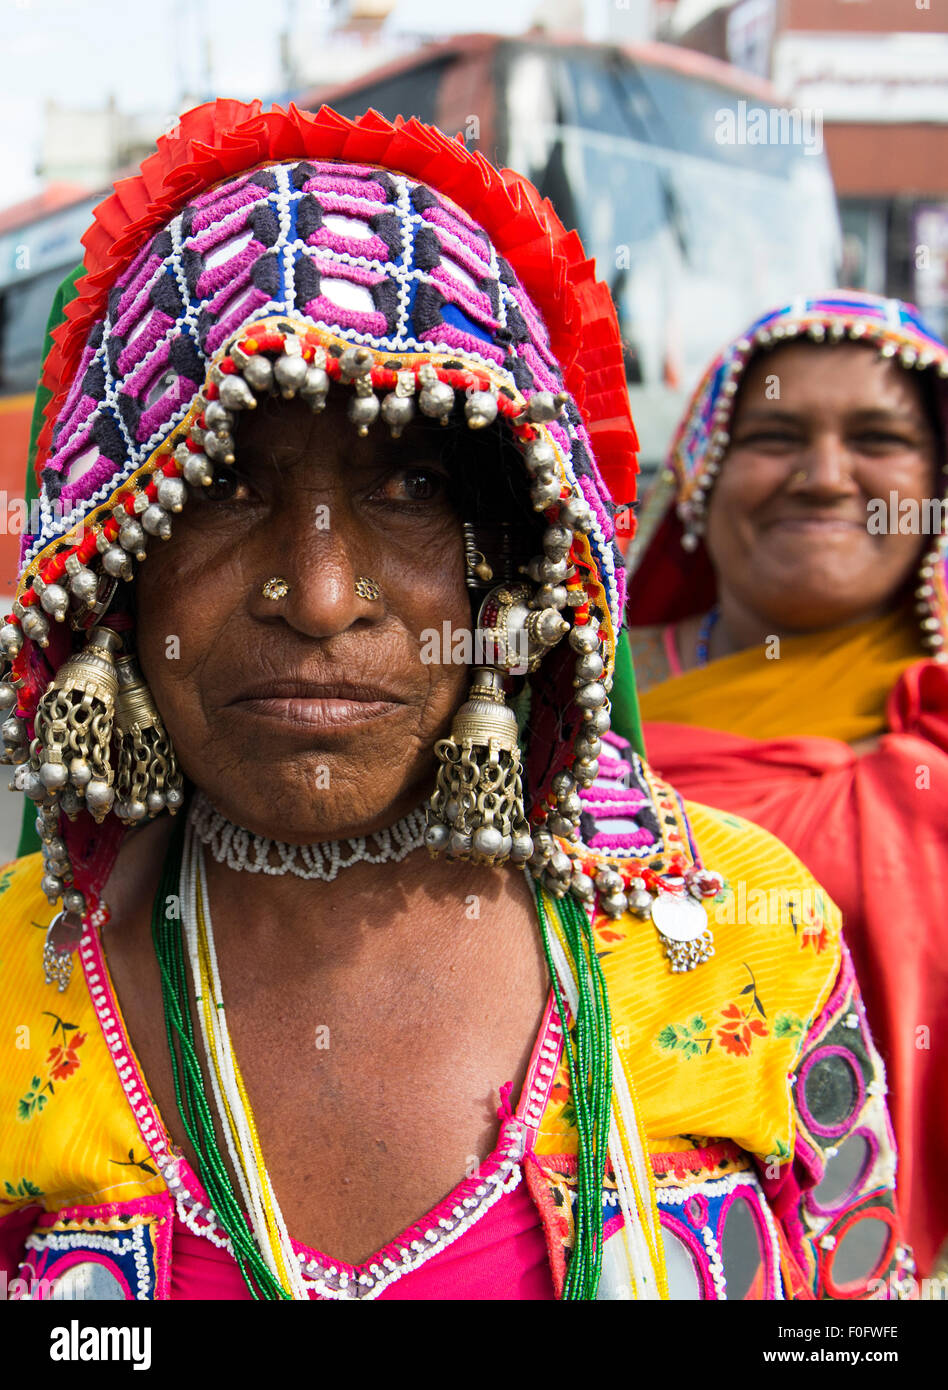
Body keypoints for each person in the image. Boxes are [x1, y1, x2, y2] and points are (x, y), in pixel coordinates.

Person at [0, 105, 909, 1301]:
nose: (320, 597)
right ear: (118, 561)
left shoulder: (742, 937)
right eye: (220, 483)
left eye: (412, 483)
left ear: (518, 553)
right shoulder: (24, 983)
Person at [625, 291, 948, 1279]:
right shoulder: (572, 690)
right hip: (602, 1222)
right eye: (772, 435)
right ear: (699, 471)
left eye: (879, 437)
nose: (823, 477)